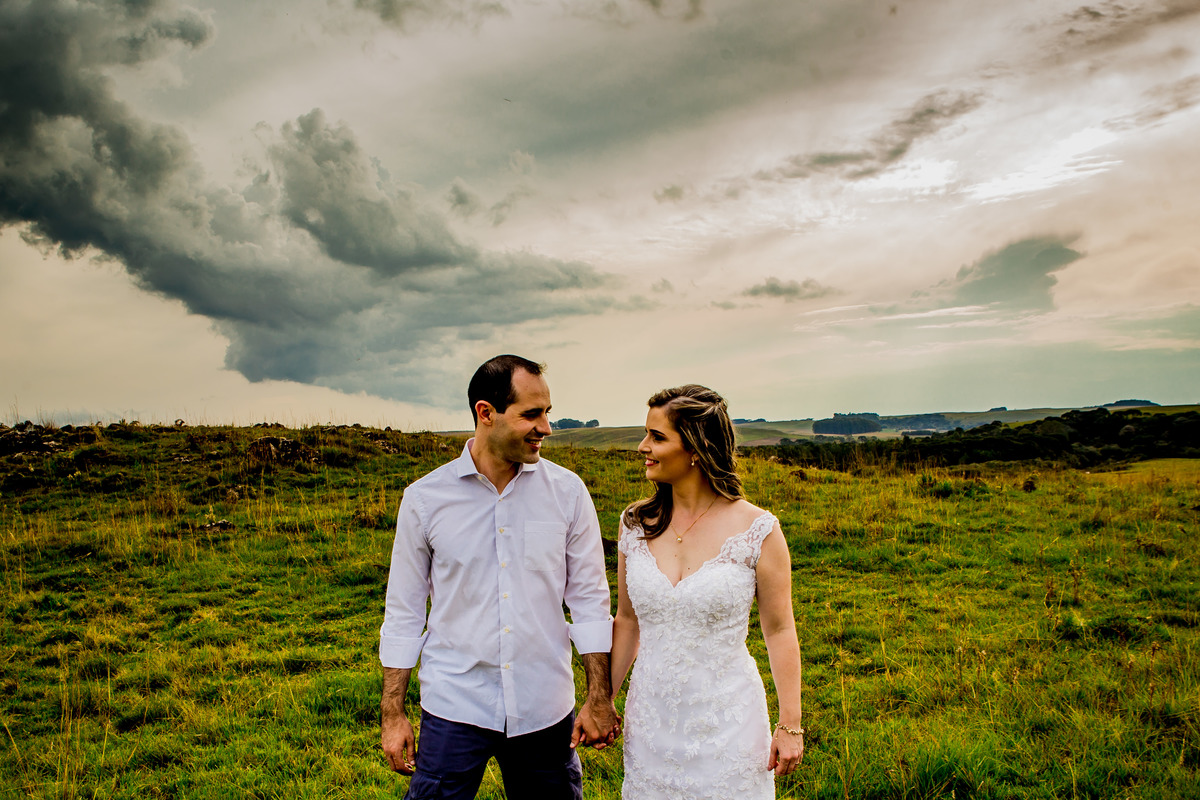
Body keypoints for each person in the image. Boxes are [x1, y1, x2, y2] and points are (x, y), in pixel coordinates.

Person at [379, 354, 621, 800]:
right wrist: (393, 713)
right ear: (485, 413)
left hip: (544, 708)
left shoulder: (567, 493)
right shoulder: (424, 500)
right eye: (532, 414)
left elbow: (589, 602)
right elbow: (404, 613)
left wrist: (599, 697)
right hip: (454, 704)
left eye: (547, 412)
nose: (546, 427)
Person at [610, 384, 804, 799]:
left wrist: (790, 724)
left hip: (727, 723)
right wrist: (602, 701)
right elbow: (627, 622)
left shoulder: (758, 531)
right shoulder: (634, 525)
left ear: (696, 448)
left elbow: (780, 629)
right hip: (651, 720)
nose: (643, 447)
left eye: (657, 437)